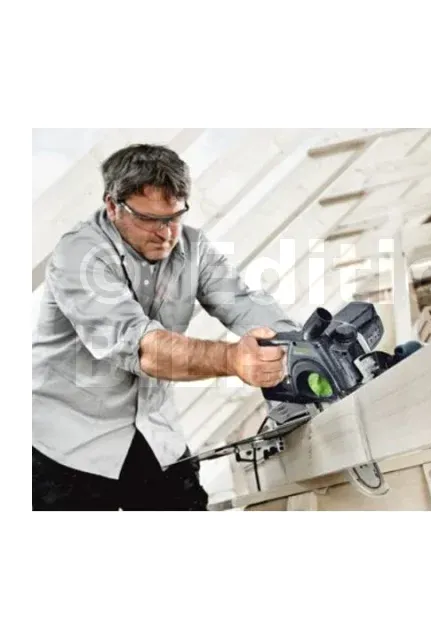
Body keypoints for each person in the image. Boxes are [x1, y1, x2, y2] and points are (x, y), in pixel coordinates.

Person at [32, 143, 298, 511]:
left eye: (175, 217)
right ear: (112, 205)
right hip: (67, 448)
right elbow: (144, 349)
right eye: (149, 219)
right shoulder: (79, 255)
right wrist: (234, 359)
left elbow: (241, 302)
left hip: (156, 437)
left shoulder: (194, 248)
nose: (166, 233)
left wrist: (300, 343)